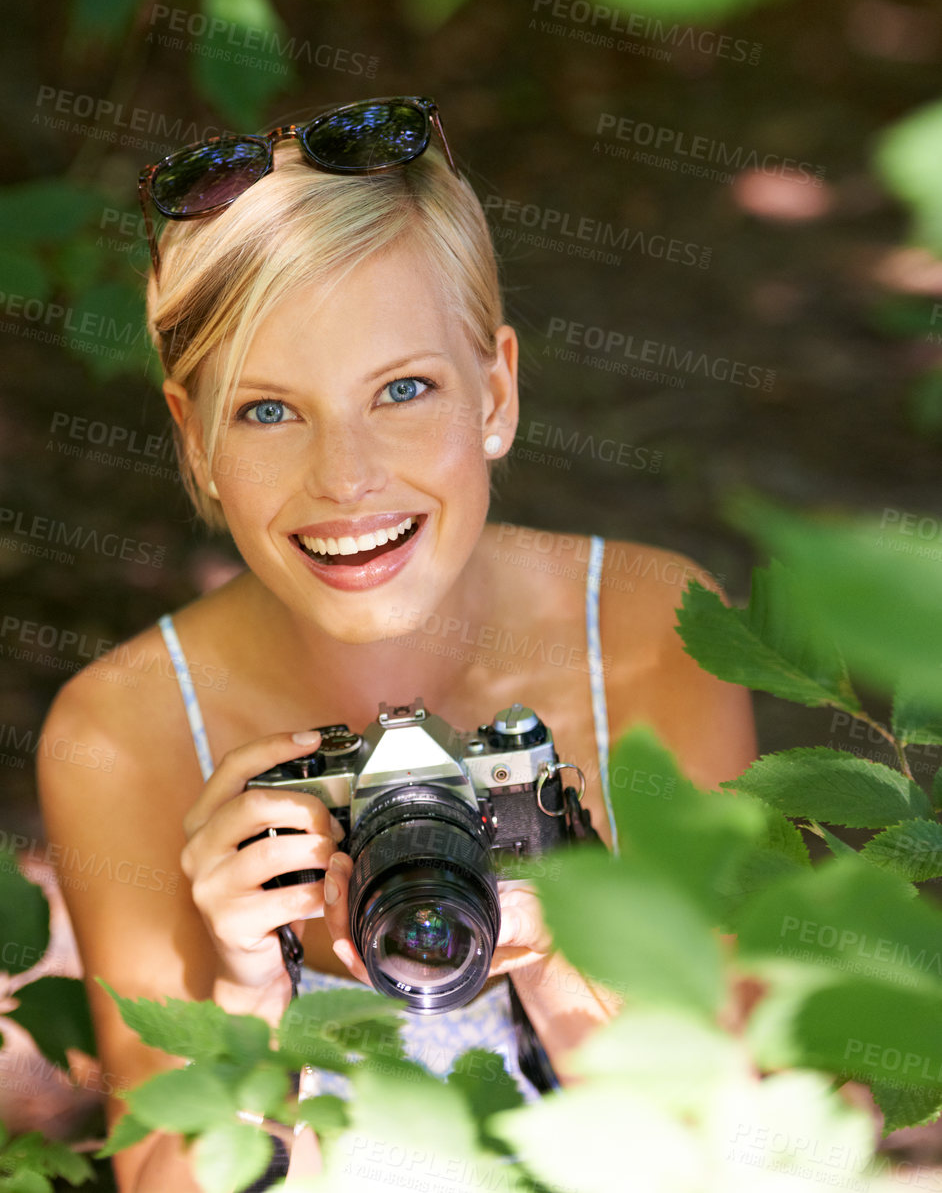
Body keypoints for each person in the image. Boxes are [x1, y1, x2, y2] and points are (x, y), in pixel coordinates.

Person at [38, 95, 757, 1190]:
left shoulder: (652, 635)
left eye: (404, 389)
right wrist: (242, 996)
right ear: (194, 437)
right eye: (268, 411)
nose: (347, 479)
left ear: (496, 394)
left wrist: (560, 955)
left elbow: (750, 1153)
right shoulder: (125, 733)